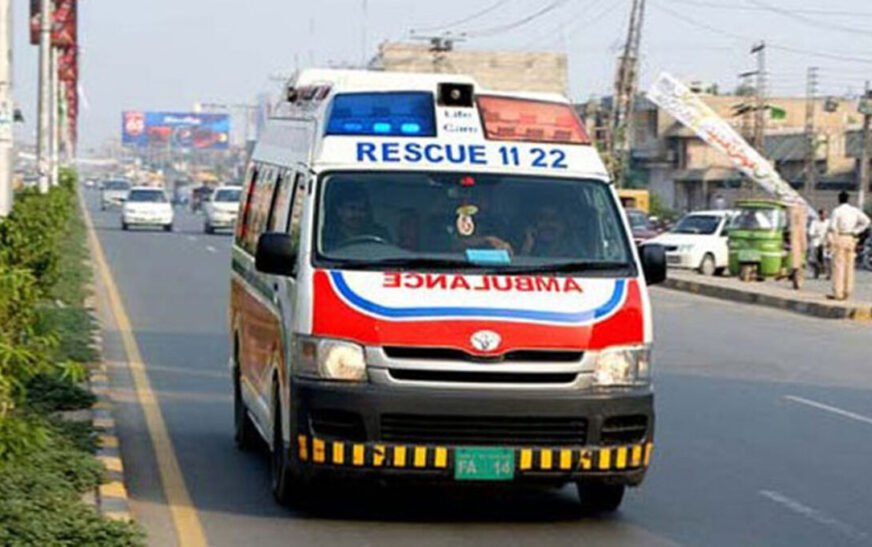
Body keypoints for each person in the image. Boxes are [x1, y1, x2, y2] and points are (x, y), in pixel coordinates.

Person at [827, 191, 871, 300]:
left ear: (839, 199)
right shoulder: (854, 210)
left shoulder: (836, 211)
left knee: (838, 266)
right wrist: (856, 231)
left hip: (840, 237)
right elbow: (866, 221)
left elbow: (832, 227)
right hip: (851, 238)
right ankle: (847, 291)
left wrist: (831, 241)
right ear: (848, 199)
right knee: (849, 266)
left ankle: (838, 292)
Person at [322, 185, 389, 251]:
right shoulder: (325, 237)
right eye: (352, 209)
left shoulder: (380, 234)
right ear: (339, 210)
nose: (357, 214)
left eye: (362, 209)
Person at [807, 209, 830, 280]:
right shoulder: (814, 222)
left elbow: (831, 231)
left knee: (828, 257)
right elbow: (811, 232)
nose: (825, 216)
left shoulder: (829, 222)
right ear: (820, 214)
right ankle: (816, 271)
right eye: (824, 214)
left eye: (826, 214)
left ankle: (828, 273)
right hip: (816, 240)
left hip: (826, 241)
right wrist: (816, 235)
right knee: (814, 254)